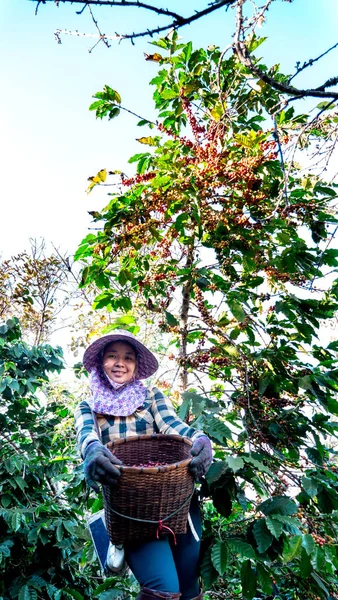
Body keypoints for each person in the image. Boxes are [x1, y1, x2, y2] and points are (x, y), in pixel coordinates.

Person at [74, 330, 213, 600]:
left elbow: (173, 426)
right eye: (112, 356)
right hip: (132, 510)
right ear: (101, 362)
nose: (120, 363)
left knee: (189, 588)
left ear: (136, 366)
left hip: (178, 502)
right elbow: (87, 435)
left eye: (128, 358)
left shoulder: (150, 397)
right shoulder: (88, 406)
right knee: (163, 592)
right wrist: (92, 451)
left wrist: (200, 439)